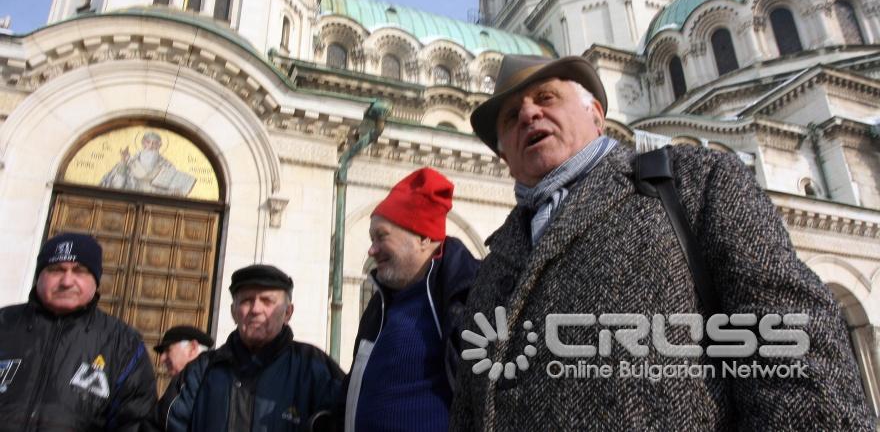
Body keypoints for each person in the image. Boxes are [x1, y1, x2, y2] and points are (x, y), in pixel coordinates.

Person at [448, 55, 873, 430]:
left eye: (546, 98)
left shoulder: (691, 182)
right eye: (510, 117)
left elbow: (793, 346)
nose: (527, 115)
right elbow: (470, 406)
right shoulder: (497, 260)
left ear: (596, 114)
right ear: (504, 156)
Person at [341, 167, 480, 432]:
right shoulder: (379, 305)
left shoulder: (468, 294)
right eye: (372, 239)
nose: (372, 249)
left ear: (424, 238)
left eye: (381, 236)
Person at [0, 233, 156, 431]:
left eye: (79, 271)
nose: (66, 281)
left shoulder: (123, 344)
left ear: (96, 280)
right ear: (38, 276)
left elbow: (135, 422)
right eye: (56, 270)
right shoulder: (4, 324)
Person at [160, 264, 343, 432]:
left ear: (287, 312)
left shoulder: (314, 367)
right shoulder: (201, 371)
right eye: (247, 300)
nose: (255, 309)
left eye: (267, 301)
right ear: (233, 312)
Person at [100, 130, 195, 196]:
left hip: (156, 203)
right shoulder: (129, 161)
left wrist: (176, 191)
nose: (151, 146)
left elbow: (170, 188)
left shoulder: (167, 165)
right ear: (142, 143)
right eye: (148, 142)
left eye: (155, 143)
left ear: (159, 145)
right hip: (131, 198)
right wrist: (124, 163)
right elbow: (117, 186)